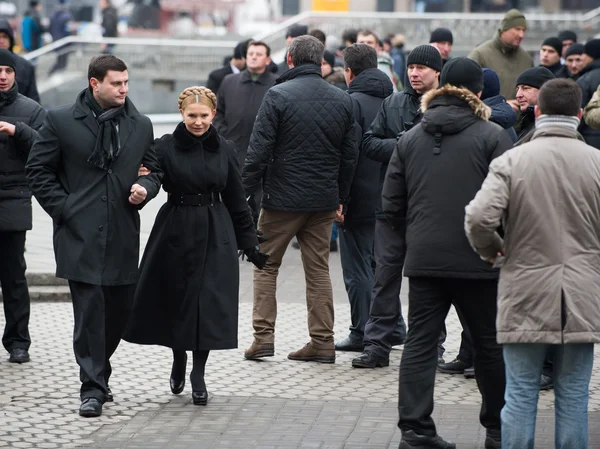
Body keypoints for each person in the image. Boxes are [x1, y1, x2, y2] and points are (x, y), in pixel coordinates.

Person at [465, 78, 600, 449]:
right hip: (582, 293)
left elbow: (478, 218)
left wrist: (494, 252)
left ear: (537, 112)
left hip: (524, 288)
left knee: (521, 393)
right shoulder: (596, 163)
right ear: (578, 115)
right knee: (573, 395)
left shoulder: (513, 159)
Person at [384, 57, 512, 449]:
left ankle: (415, 431)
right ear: (477, 92)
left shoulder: (410, 137)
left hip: (424, 260)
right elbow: (510, 202)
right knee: (489, 345)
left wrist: (415, 238)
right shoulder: (493, 135)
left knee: (420, 343)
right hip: (480, 260)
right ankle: (497, 429)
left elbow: (390, 205)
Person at [26, 55, 163, 418]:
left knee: (119, 311)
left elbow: (155, 169)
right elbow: (38, 169)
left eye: (126, 82)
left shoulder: (140, 124)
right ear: (94, 83)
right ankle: (92, 387)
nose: (124, 89)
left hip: (121, 231)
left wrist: (145, 189)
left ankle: (99, 372)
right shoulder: (59, 120)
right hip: (78, 234)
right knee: (90, 312)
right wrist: (64, 209)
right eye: (116, 83)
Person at [124, 86, 266, 406]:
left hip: (216, 229)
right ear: (182, 114)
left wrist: (250, 243)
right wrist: (139, 192)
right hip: (175, 227)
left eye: (204, 116)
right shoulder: (164, 146)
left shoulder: (225, 149)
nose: (198, 122)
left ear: (213, 115)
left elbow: (236, 199)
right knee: (177, 298)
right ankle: (178, 357)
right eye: (192, 116)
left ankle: (198, 373)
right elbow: (152, 178)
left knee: (208, 303)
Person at [242, 35, 357, 364]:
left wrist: (242, 194)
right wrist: (341, 197)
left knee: (265, 267)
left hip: (280, 200)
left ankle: (263, 338)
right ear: (321, 62)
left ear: (289, 60)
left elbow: (258, 152)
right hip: (323, 201)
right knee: (319, 269)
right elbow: (350, 156)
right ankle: (323, 341)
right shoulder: (342, 100)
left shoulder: (276, 95)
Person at [351, 45, 442, 368]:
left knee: (429, 281)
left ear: (437, 72)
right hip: (390, 207)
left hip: (430, 210)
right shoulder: (393, 103)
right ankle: (377, 345)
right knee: (384, 278)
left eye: (422, 68)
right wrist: (403, 144)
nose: (414, 73)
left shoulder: (445, 107)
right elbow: (369, 143)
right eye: (412, 67)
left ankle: (433, 345)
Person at [334, 43, 393, 354]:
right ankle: (393, 327)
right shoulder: (394, 99)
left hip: (357, 197)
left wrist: (340, 198)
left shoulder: (350, 102)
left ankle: (362, 331)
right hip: (389, 198)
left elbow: (347, 156)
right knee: (383, 266)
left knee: (357, 269)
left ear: (349, 72)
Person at [0, 49, 45, 365]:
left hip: (13, 200)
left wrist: (19, 131)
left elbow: (47, 148)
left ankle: (18, 341)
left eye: (7, 70)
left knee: (14, 276)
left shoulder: (30, 110)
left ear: (16, 74)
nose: (2, 76)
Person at [214, 41, 276, 169]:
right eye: (250, 54)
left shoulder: (277, 84)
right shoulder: (229, 81)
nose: (253, 57)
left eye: (259, 54)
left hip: (264, 156)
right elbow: (218, 111)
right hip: (232, 150)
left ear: (268, 60)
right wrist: (224, 134)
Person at [468, 9, 533, 99]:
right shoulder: (480, 54)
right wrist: (502, 105)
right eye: (517, 29)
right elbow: (467, 92)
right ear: (504, 29)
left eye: (523, 30)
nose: (521, 35)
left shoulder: (526, 59)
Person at [0, 19, 40, 103]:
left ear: (10, 39)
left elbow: (33, 99)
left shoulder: (25, 66)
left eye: (4, 36)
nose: (1, 41)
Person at [513, 67, 555, 143]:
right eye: (517, 89)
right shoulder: (521, 120)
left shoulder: (551, 126)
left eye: (525, 88)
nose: (518, 95)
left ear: (544, 91)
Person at [576, 39, 600, 149]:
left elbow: (577, 112)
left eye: (584, 53)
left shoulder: (585, 79)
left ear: (592, 55)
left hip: (589, 141)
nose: (582, 57)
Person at [48, 0, 73, 75]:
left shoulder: (52, 15)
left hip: (56, 41)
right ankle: (54, 74)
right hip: (64, 42)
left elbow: (50, 29)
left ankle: (52, 73)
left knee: (59, 60)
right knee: (63, 62)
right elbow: (69, 30)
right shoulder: (67, 16)